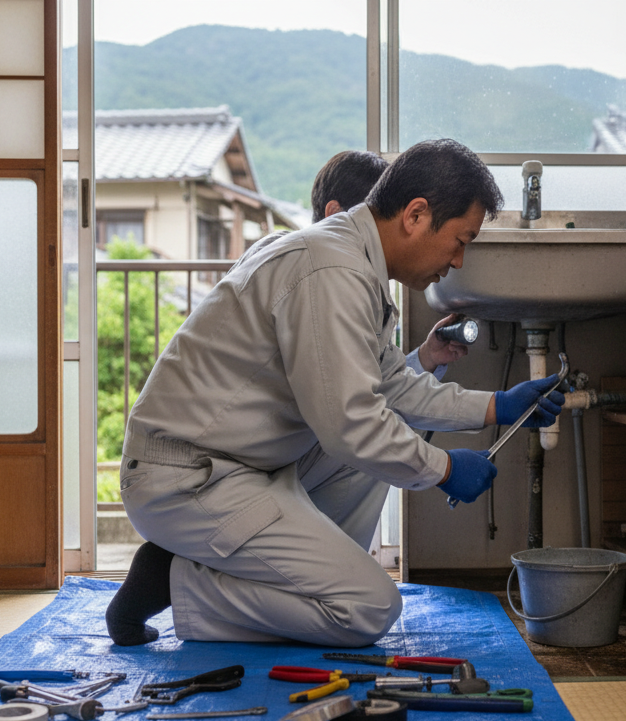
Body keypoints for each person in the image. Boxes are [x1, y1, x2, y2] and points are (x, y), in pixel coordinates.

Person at [106, 139, 564, 647]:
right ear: (416, 215)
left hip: (239, 467)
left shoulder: (350, 263)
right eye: (460, 240)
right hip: (188, 479)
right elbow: (353, 426)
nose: (458, 260)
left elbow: (391, 386)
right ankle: (177, 581)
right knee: (368, 608)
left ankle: (307, 581)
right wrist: (447, 469)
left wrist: (497, 406)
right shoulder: (333, 270)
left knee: (378, 453)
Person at [252, 149, 471, 378]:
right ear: (335, 214)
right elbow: (351, 403)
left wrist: (427, 357)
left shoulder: (357, 278)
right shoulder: (323, 275)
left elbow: (370, 381)